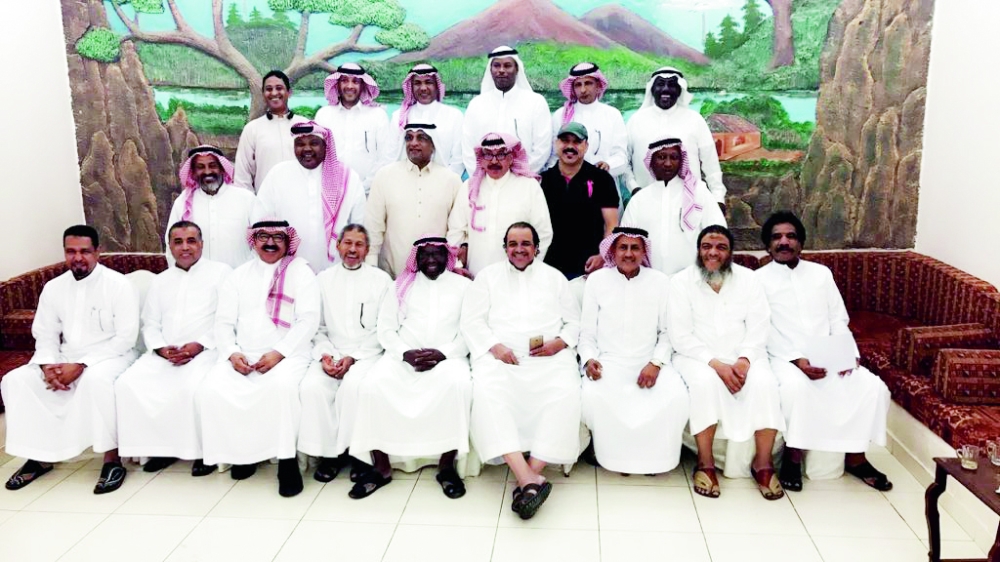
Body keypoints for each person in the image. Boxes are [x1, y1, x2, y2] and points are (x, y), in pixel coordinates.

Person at [756, 211, 893, 492]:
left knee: (872, 387)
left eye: (791, 236)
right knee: (796, 389)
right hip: (782, 357)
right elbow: (762, 328)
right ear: (768, 245)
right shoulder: (757, 280)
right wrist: (797, 360)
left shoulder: (821, 274)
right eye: (777, 237)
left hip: (828, 352)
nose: (784, 242)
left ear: (801, 243)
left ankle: (856, 457)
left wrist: (846, 354)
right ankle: (793, 456)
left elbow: (837, 318)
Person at [2, 225, 139, 494]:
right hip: (65, 356)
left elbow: (125, 338)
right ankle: (38, 457)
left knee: (96, 381)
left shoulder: (118, 285)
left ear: (98, 252)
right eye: (71, 251)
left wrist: (82, 365)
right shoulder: (53, 288)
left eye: (85, 251)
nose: (78, 258)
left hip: (112, 355)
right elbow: (45, 334)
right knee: (15, 380)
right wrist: (47, 365)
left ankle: (112, 460)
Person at [462, 222, 581, 519]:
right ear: (505, 248)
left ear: (536, 248)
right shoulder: (487, 278)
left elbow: (574, 323)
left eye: (525, 243)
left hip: (549, 358)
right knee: (488, 393)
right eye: (513, 244)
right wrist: (495, 347)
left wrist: (558, 344)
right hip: (500, 356)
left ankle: (528, 475)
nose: (519, 249)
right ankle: (528, 478)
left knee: (566, 392)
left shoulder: (555, 278)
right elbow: (472, 322)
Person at [198, 220, 320, 497]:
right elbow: (223, 323)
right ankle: (243, 455)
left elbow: (309, 320)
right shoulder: (238, 276)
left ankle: (286, 462)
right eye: (263, 236)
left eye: (278, 238)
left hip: (288, 354)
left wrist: (279, 353)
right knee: (213, 388)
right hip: (243, 353)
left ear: (288, 242)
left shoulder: (300, 272)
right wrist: (232, 353)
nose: (270, 243)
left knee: (282, 389)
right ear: (253, 241)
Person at [348, 237, 473, 499]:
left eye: (436, 254)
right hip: (403, 357)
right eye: (424, 255)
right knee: (371, 386)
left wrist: (443, 354)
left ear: (447, 257)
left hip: (448, 358)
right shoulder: (400, 286)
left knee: (459, 386)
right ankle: (381, 467)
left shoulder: (464, 287)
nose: (430, 259)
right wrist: (405, 353)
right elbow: (386, 329)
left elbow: (470, 330)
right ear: (416, 258)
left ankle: (446, 466)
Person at [668, 225, 785, 500]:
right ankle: (705, 464)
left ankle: (763, 464)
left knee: (765, 383)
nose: (713, 252)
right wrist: (716, 364)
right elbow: (680, 335)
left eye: (721, 247)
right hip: (696, 356)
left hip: (745, 354)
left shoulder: (748, 279)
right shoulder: (680, 282)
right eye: (707, 246)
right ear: (698, 250)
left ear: (731, 252)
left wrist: (745, 359)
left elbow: (759, 325)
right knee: (704, 383)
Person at [116, 221, 232, 476]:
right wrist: (160, 349)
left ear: (201, 244)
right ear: (169, 247)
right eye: (178, 242)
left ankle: (204, 453)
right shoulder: (161, 280)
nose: (185, 247)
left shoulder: (221, 273)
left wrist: (199, 345)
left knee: (193, 387)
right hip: (165, 354)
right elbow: (150, 323)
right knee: (129, 384)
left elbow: (226, 319)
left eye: (191, 241)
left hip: (206, 350)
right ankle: (160, 449)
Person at [579, 227, 689, 475]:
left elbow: (667, 333)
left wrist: (656, 363)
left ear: (643, 252)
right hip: (608, 361)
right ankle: (613, 456)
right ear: (613, 250)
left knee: (676, 397)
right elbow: (586, 334)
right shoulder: (597, 280)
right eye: (623, 247)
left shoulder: (660, 281)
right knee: (594, 396)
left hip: (649, 361)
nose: (628, 254)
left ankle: (654, 460)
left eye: (635, 248)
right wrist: (589, 359)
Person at [298, 224, 392, 483]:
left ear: (367, 249)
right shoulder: (322, 280)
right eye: (347, 243)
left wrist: (353, 358)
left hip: (368, 353)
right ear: (337, 245)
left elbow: (383, 328)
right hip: (332, 350)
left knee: (354, 388)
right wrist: (326, 356)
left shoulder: (381, 280)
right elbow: (317, 327)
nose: (352, 249)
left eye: (359, 244)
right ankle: (330, 455)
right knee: (312, 387)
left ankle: (358, 455)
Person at [256, 121, 366, 273]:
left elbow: (360, 224)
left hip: (336, 270)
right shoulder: (278, 174)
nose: (307, 149)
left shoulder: (348, 178)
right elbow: (260, 219)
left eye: (314, 143)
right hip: (288, 270)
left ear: (325, 146)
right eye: (300, 144)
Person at [447, 133, 553, 276]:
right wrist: (458, 266)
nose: (494, 161)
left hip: (517, 276)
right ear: (481, 159)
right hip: (475, 276)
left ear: (511, 158)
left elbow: (543, 232)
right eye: (488, 154)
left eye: (501, 154)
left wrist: (529, 268)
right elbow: (455, 231)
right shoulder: (469, 188)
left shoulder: (529, 186)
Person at [366, 123, 462, 278]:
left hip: (437, 275)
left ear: (433, 144)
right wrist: (371, 265)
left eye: (421, 138)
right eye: (409, 138)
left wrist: (454, 265)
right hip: (391, 274)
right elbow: (374, 226)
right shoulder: (384, 176)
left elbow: (457, 230)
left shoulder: (451, 180)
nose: (413, 143)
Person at [621, 138, 726, 276]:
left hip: (692, 279)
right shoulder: (639, 200)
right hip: (648, 279)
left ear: (681, 161)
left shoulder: (699, 193)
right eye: (661, 157)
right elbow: (625, 242)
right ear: (651, 161)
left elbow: (718, 234)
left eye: (674, 157)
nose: (668, 163)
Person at [626, 67, 726, 209]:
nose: (665, 89)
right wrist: (634, 187)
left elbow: (711, 163)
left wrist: (718, 197)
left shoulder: (695, 120)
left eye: (672, 85)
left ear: (680, 90)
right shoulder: (636, 120)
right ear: (652, 89)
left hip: (688, 204)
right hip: (645, 202)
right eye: (660, 84)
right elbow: (625, 161)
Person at [539, 122, 619, 279]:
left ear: (586, 146)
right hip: (549, 268)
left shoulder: (602, 179)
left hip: (589, 268)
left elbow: (612, 224)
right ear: (556, 143)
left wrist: (602, 255)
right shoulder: (544, 181)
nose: (570, 146)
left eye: (576, 142)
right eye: (565, 141)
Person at [462, 46, 552, 174]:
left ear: (517, 69)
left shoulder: (536, 102)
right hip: (484, 180)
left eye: (507, 65)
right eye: (496, 65)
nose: (501, 70)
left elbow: (542, 149)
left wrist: (518, 176)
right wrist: (482, 177)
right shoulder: (476, 105)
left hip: (524, 180)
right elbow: (468, 149)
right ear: (490, 70)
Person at [167, 145, 256, 268]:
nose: (207, 171)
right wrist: (183, 276)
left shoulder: (246, 199)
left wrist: (248, 273)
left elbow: (260, 241)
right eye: (200, 167)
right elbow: (171, 246)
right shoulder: (182, 203)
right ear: (193, 172)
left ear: (222, 168)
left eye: (212, 165)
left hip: (239, 277)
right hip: (197, 278)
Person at [314, 63, 389, 193]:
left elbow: (384, 157)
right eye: (344, 80)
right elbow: (318, 155)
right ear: (337, 84)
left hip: (369, 192)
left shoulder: (378, 115)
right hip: (331, 192)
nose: (350, 86)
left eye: (355, 81)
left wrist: (364, 187)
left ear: (363, 85)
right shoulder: (324, 115)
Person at [379, 64, 465, 176]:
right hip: (404, 181)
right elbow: (390, 156)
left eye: (428, 82)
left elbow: (458, 161)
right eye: (417, 83)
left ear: (437, 86)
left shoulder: (454, 116)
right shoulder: (399, 116)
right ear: (411, 87)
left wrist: (444, 183)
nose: (423, 88)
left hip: (442, 182)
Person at [233, 70, 309, 193]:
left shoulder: (305, 125)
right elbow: (242, 175)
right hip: (265, 201)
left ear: (289, 92)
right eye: (269, 89)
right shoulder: (252, 129)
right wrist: (250, 202)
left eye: (279, 88)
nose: (274, 93)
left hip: (300, 198)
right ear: (263, 94)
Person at [548, 62, 627, 176]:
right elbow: (554, 156)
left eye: (588, 83)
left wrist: (608, 165)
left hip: (604, 180)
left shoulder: (612, 115)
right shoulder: (561, 115)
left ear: (598, 86)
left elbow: (621, 155)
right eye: (578, 85)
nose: (583, 90)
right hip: (568, 181)